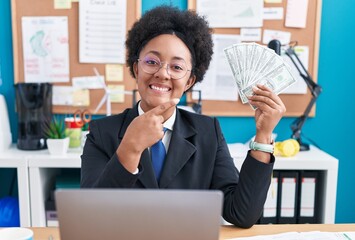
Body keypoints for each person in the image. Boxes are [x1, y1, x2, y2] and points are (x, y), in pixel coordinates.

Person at [80, 6, 286, 228]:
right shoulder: (101, 133)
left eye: (177, 66)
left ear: (189, 82)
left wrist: (263, 136)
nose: (162, 73)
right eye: (151, 62)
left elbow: (242, 214)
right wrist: (130, 148)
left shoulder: (209, 132)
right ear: (136, 69)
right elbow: (93, 219)